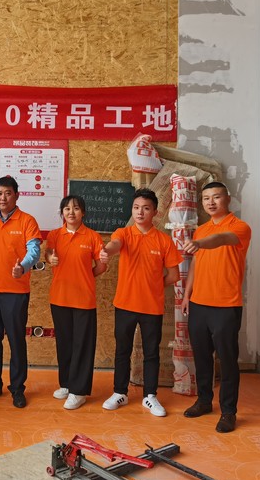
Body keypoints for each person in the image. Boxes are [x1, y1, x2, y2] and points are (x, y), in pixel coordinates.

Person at [99, 188, 181, 416]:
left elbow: (174, 275)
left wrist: (153, 285)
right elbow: (114, 245)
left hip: (151, 307)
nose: (140, 212)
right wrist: (106, 251)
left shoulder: (164, 241)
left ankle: (150, 396)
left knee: (151, 352)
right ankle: (120, 392)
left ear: (155, 212)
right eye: (136, 207)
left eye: (145, 208)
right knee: (122, 351)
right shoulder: (124, 234)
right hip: (125, 304)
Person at [181, 181, 252, 433]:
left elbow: (221, 239)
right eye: (206, 198)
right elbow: (195, 265)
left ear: (228, 199)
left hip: (226, 305)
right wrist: (187, 295)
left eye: (216, 197)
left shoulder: (240, 227)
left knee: (228, 361)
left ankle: (228, 412)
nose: (211, 202)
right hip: (199, 304)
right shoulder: (200, 230)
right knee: (202, 357)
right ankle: (204, 401)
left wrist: (200, 243)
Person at [0, 175, 41, 408]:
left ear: (16, 195)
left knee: (16, 341)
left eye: (8, 193)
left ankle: (17, 388)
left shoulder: (27, 221)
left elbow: (34, 251)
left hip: (16, 293)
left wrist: (22, 267)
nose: (3, 198)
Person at [44, 195, 107, 410]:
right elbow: (48, 253)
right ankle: (67, 384)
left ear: (83, 213)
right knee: (64, 343)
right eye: (67, 209)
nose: (71, 212)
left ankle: (78, 391)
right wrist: (49, 258)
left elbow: (101, 266)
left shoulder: (92, 236)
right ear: (62, 213)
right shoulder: (54, 235)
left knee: (82, 345)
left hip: (83, 300)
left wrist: (85, 276)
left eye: (76, 208)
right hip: (59, 297)